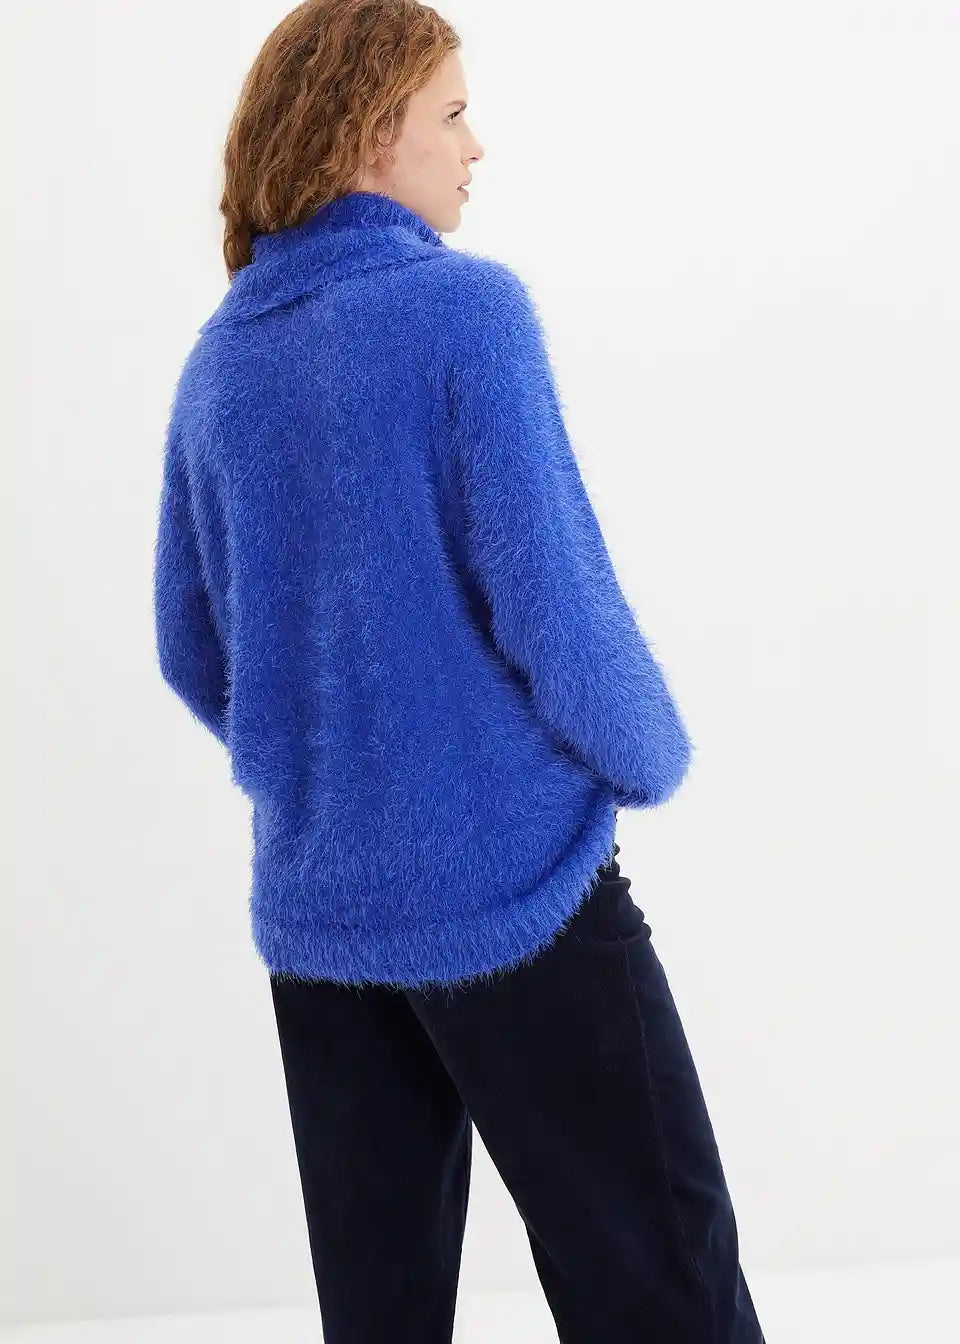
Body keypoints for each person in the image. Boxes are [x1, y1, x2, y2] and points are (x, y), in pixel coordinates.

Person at [152, 1, 767, 1340]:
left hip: (321, 906)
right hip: (514, 882)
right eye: (452, 113)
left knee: (382, 1312)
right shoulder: (464, 314)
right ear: (370, 133)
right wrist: (645, 758)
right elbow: (557, 604)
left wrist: (319, 763)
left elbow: (191, 647)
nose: (476, 145)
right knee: (663, 1280)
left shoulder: (223, 361)